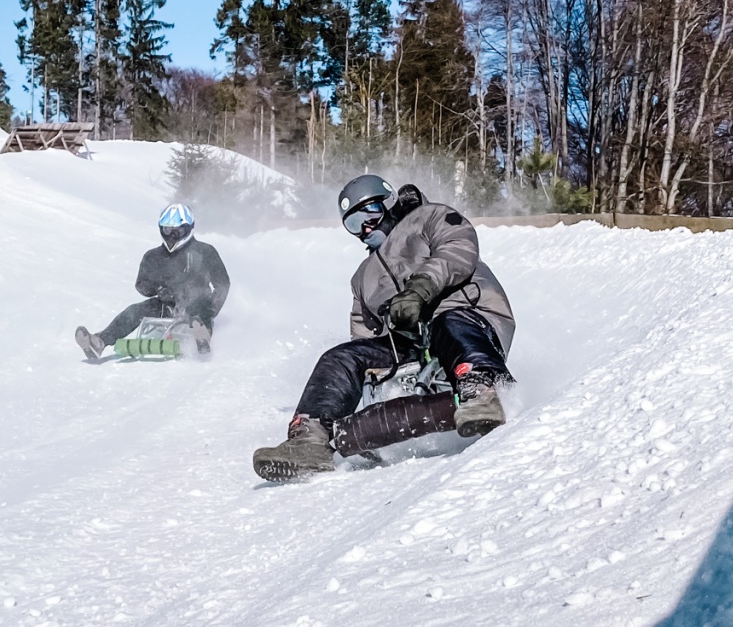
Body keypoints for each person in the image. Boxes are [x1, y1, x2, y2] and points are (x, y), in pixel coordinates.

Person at [252, 175, 516, 481]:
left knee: (448, 320)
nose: (364, 228)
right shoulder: (362, 278)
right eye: (353, 224)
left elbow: (459, 247)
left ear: (387, 202)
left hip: (470, 317)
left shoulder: (429, 217)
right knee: (339, 358)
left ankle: (479, 389)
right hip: (414, 345)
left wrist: (420, 289)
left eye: (369, 214)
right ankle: (310, 439)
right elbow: (364, 335)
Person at [75, 203, 230, 359]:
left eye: (178, 231)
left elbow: (223, 284)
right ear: (161, 228)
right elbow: (142, 285)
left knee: (201, 306)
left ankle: (202, 335)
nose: (172, 236)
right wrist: (159, 289)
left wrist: (211, 308)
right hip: (166, 306)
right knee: (135, 310)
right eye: (168, 230)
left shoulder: (205, 252)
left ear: (189, 228)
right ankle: (99, 342)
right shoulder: (153, 257)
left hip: (197, 306)